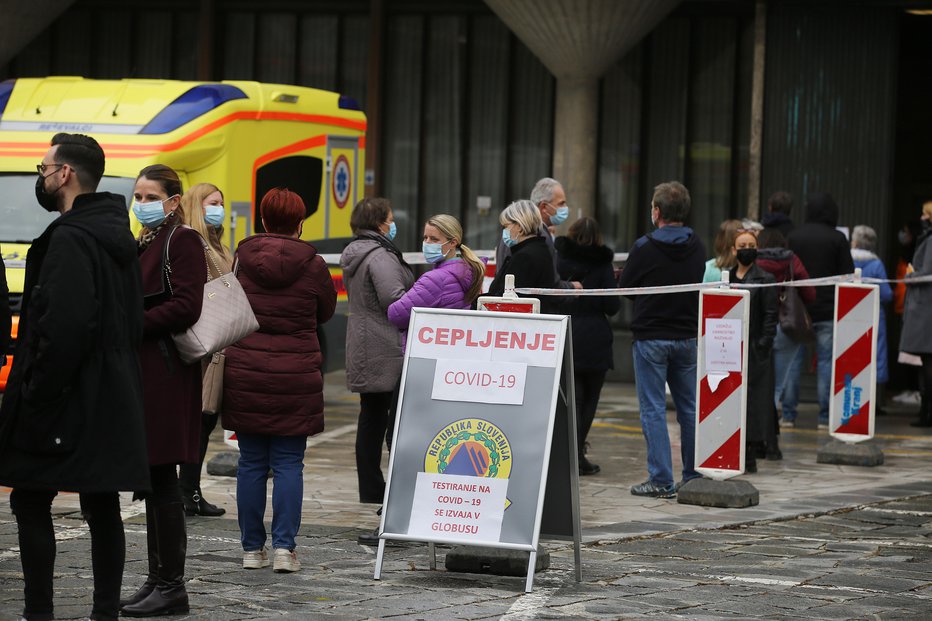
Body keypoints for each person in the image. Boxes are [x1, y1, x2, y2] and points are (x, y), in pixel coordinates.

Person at [0, 133, 149, 621]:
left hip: (67, 395)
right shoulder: (115, 234)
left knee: (30, 497)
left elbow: (64, 327)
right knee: (101, 500)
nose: (41, 178)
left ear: (64, 174)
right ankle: (105, 612)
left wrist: (36, 392)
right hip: (112, 390)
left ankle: (38, 612)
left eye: (43, 170)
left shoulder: (70, 238)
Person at [222, 188, 337, 573]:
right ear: (300, 223)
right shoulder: (315, 264)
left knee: (251, 463)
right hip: (296, 372)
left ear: (264, 220)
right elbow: (324, 311)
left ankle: (252, 550)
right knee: (289, 464)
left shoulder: (242, 258)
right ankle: (285, 550)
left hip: (246, 369)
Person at [121, 164, 207, 617]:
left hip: (167, 373)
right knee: (155, 478)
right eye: (136, 195)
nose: (141, 203)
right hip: (148, 371)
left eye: (149, 195)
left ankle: (171, 585)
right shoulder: (149, 241)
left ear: (173, 201)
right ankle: (158, 579)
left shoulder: (183, 239)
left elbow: (187, 306)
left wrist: (131, 324)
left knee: (162, 478)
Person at [618, 181, 705, 498]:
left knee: (653, 409)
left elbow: (626, 287)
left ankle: (660, 479)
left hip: (651, 336)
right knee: (690, 409)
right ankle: (693, 474)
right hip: (686, 337)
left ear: (656, 212)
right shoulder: (697, 244)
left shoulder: (644, 246)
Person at [340, 199, 414, 519]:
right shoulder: (380, 256)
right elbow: (394, 298)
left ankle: (371, 486)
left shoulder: (356, 252)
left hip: (362, 341)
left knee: (370, 417)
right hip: (384, 343)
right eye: (390, 218)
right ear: (380, 223)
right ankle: (389, 489)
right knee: (391, 420)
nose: (393, 223)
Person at [176, 183, 231, 517]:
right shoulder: (193, 243)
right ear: (198, 205)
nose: (219, 208)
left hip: (220, 342)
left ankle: (190, 490)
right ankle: (187, 492)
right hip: (202, 343)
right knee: (199, 418)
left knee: (204, 421)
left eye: (222, 203)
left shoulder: (217, 244)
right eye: (213, 203)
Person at [554, 217, 621, 475]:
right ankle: (578, 454)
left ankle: (566, 454)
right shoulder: (602, 264)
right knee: (591, 399)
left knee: (573, 399)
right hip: (595, 338)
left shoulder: (558, 258)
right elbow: (612, 307)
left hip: (568, 333)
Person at [788, 193, 855, 428]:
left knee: (793, 360)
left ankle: (788, 414)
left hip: (799, 310)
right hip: (828, 309)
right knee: (826, 362)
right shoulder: (837, 238)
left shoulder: (794, 236)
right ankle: (825, 416)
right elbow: (848, 273)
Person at [387, 214, 484, 344]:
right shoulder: (468, 271)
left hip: (429, 349)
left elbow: (396, 315)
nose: (427, 243)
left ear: (453, 242)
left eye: (434, 239)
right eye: (425, 237)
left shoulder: (436, 279)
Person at [756, 228, 816, 429]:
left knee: (755, 384)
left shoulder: (753, 260)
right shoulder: (792, 260)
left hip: (757, 328)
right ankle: (767, 434)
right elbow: (810, 293)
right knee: (777, 386)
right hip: (786, 328)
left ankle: (754, 433)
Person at [729, 228, 778, 469]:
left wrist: (762, 345)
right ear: (733, 250)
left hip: (756, 351)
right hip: (729, 351)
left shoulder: (766, 279)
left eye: (751, 244)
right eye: (742, 245)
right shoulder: (726, 278)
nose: (747, 249)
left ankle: (750, 451)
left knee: (755, 402)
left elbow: (771, 315)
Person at [487, 200, 564, 313]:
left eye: (507, 226)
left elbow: (507, 300)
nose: (505, 231)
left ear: (518, 226)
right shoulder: (540, 249)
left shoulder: (524, 257)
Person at [850, 225, 893, 413]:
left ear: (856, 241)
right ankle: (872, 404)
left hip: (849, 317)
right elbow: (886, 295)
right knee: (874, 357)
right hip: (874, 315)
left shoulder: (847, 261)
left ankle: (852, 399)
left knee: (851, 356)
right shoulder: (876, 265)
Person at [899, 201, 932, 427]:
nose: (921, 217)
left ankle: (927, 414)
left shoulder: (930, 241)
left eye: (925, 214)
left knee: (928, 364)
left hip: (926, 309)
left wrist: (909, 276)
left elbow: (926, 273)